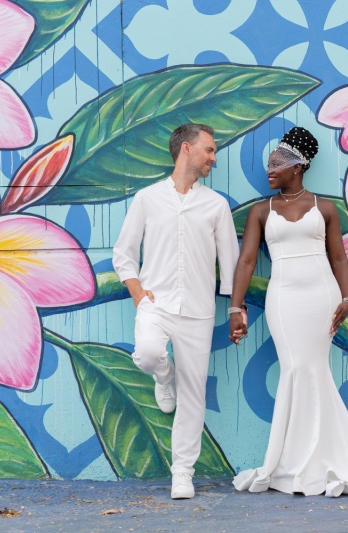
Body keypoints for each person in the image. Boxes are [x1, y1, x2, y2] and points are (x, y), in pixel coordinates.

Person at [228, 127, 348, 497]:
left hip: (322, 297)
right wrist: (236, 307)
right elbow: (247, 260)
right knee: (295, 369)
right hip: (283, 300)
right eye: (268, 165)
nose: (268, 171)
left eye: (275, 165)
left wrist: (347, 299)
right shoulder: (260, 211)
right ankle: (288, 463)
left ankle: (317, 460)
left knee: (314, 370)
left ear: (297, 167)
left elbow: (338, 258)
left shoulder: (325, 208)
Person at [113, 124, 239, 499]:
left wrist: (234, 308)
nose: (214, 158)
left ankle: (182, 472)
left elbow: (229, 263)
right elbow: (124, 251)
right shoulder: (148, 199)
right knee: (148, 354)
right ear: (187, 149)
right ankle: (163, 377)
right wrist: (137, 292)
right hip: (156, 303)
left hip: (199, 311)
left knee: (194, 393)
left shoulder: (215, 205)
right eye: (210, 150)